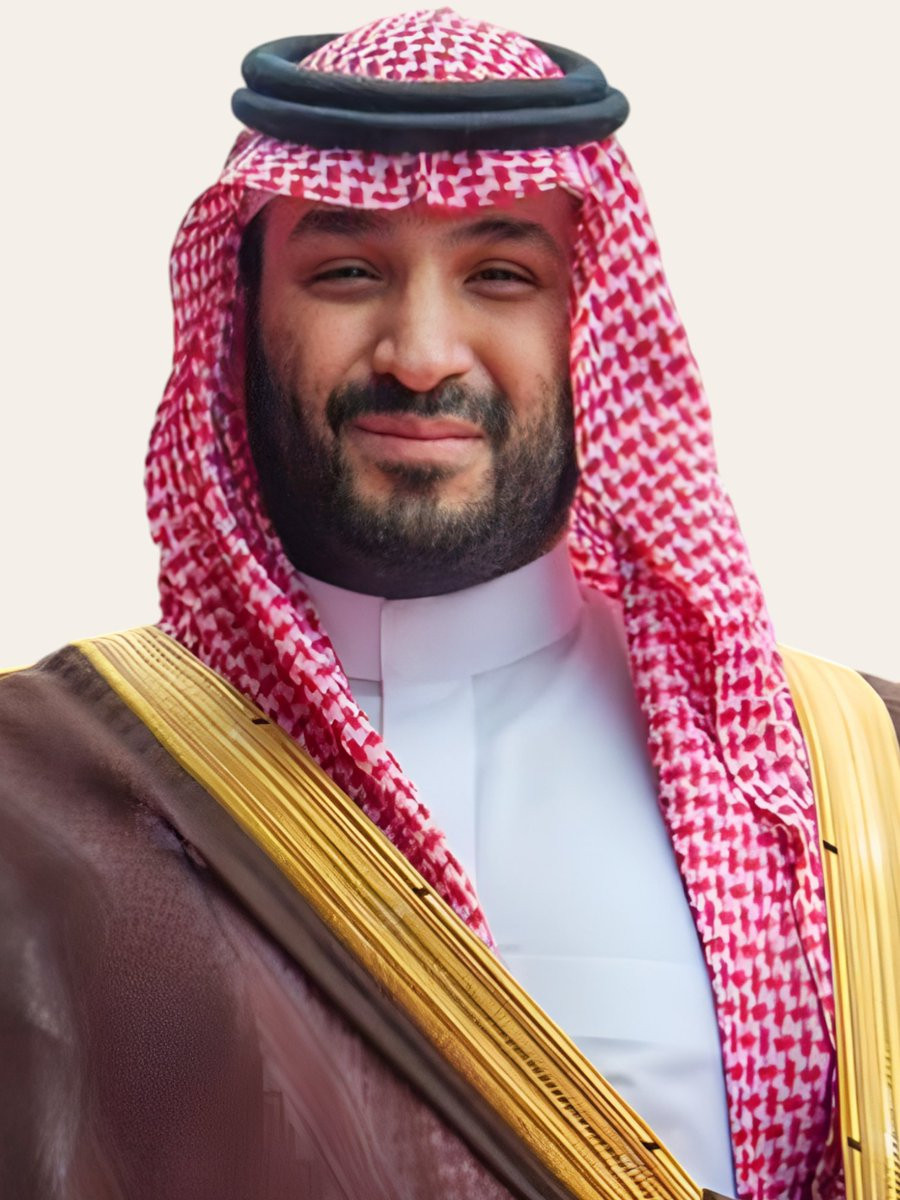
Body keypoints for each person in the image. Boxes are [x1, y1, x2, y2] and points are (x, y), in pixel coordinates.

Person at [1, 10, 897, 1200]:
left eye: (500, 276)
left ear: (591, 323)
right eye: (348, 272)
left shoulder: (854, 786)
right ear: (243, 316)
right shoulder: (33, 787)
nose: (421, 353)